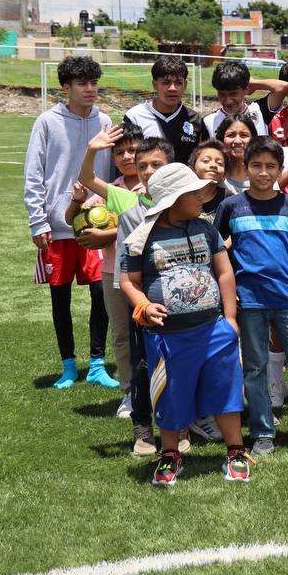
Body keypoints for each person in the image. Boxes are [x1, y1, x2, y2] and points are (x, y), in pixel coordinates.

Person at [119, 163, 248, 486]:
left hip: (214, 329)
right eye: (194, 193)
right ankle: (170, 454)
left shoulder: (206, 229)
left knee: (225, 389)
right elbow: (129, 281)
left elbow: (224, 273)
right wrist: (144, 306)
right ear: (174, 199)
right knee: (171, 395)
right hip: (169, 337)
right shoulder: (142, 238)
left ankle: (235, 451)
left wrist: (230, 319)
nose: (201, 198)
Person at [215, 135, 288, 456]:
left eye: (270, 166)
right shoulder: (231, 206)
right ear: (246, 167)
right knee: (255, 367)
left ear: (280, 169)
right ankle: (263, 430)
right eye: (256, 166)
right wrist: (228, 293)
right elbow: (215, 250)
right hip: (250, 303)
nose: (263, 172)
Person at [22, 55, 115, 391]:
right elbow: (33, 174)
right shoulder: (46, 122)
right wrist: (37, 222)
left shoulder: (104, 120)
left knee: (100, 293)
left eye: (94, 82)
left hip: (95, 225)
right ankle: (67, 365)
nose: (90, 89)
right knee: (59, 298)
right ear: (65, 88)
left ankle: (97, 364)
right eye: (82, 83)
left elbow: (109, 171)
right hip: (57, 227)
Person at [69, 120, 146, 417]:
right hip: (114, 271)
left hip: (148, 270)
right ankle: (130, 391)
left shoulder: (151, 185)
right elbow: (71, 219)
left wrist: (106, 236)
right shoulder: (110, 190)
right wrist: (77, 204)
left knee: (151, 333)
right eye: (121, 152)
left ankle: (158, 386)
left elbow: (143, 224)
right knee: (123, 335)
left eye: (133, 151)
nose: (127, 157)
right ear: (113, 158)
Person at [108, 137, 175, 456]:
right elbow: (126, 268)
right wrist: (141, 303)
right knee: (141, 364)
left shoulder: (184, 205)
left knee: (177, 362)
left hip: (180, 302)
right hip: (144, 304)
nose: (149, 172)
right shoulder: (130, 209)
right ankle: (143, 430)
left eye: (157, 165)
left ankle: (178, 426)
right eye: (143, 166)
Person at [123, 55, 205, 164]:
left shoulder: (195, 119)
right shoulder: (134, 117)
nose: (173, 88)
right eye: (166, 83)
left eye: (178, 83)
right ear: (154, 85)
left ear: (185, 85)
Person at [203, 59, 288, 140]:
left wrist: (254, 83)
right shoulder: (208, 121)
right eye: (222, 94)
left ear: (246, 89)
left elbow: (283, 87)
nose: (228, 101)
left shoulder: (260, 110)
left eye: (233, 94)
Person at [215, 112, 255, 194]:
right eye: (231, 135)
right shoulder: (214, 177)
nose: (237, 141)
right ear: (221, 139)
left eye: (244, 135)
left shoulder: (263, 176)